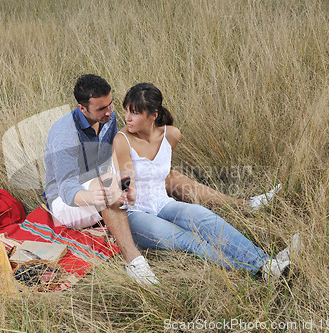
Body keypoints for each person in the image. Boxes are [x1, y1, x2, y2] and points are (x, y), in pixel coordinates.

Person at [112, 82, 298, 281]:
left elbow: (160, 170)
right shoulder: (122, 139)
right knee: (188, 240)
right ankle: (260, 270)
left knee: (206, 218)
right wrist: (127, 188)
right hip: (135, 212)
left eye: (135, 112)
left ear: (153, 115)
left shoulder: (171, 135)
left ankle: (266, 263)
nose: (128, 118)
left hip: (163, 203)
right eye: (127, 111)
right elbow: (126, 175)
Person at [44, 74, 159, 285]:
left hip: (100, 181)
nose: (109, 112)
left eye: (110, 104)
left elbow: (111, 160)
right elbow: (67, 188)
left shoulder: (108, 119)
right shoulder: (65, 134)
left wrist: (125, 181)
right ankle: (135, 264)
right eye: (100, 109)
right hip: (65, 201)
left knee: (147, 172)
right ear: (82, 109)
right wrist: (92, 195)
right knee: (106, 189)